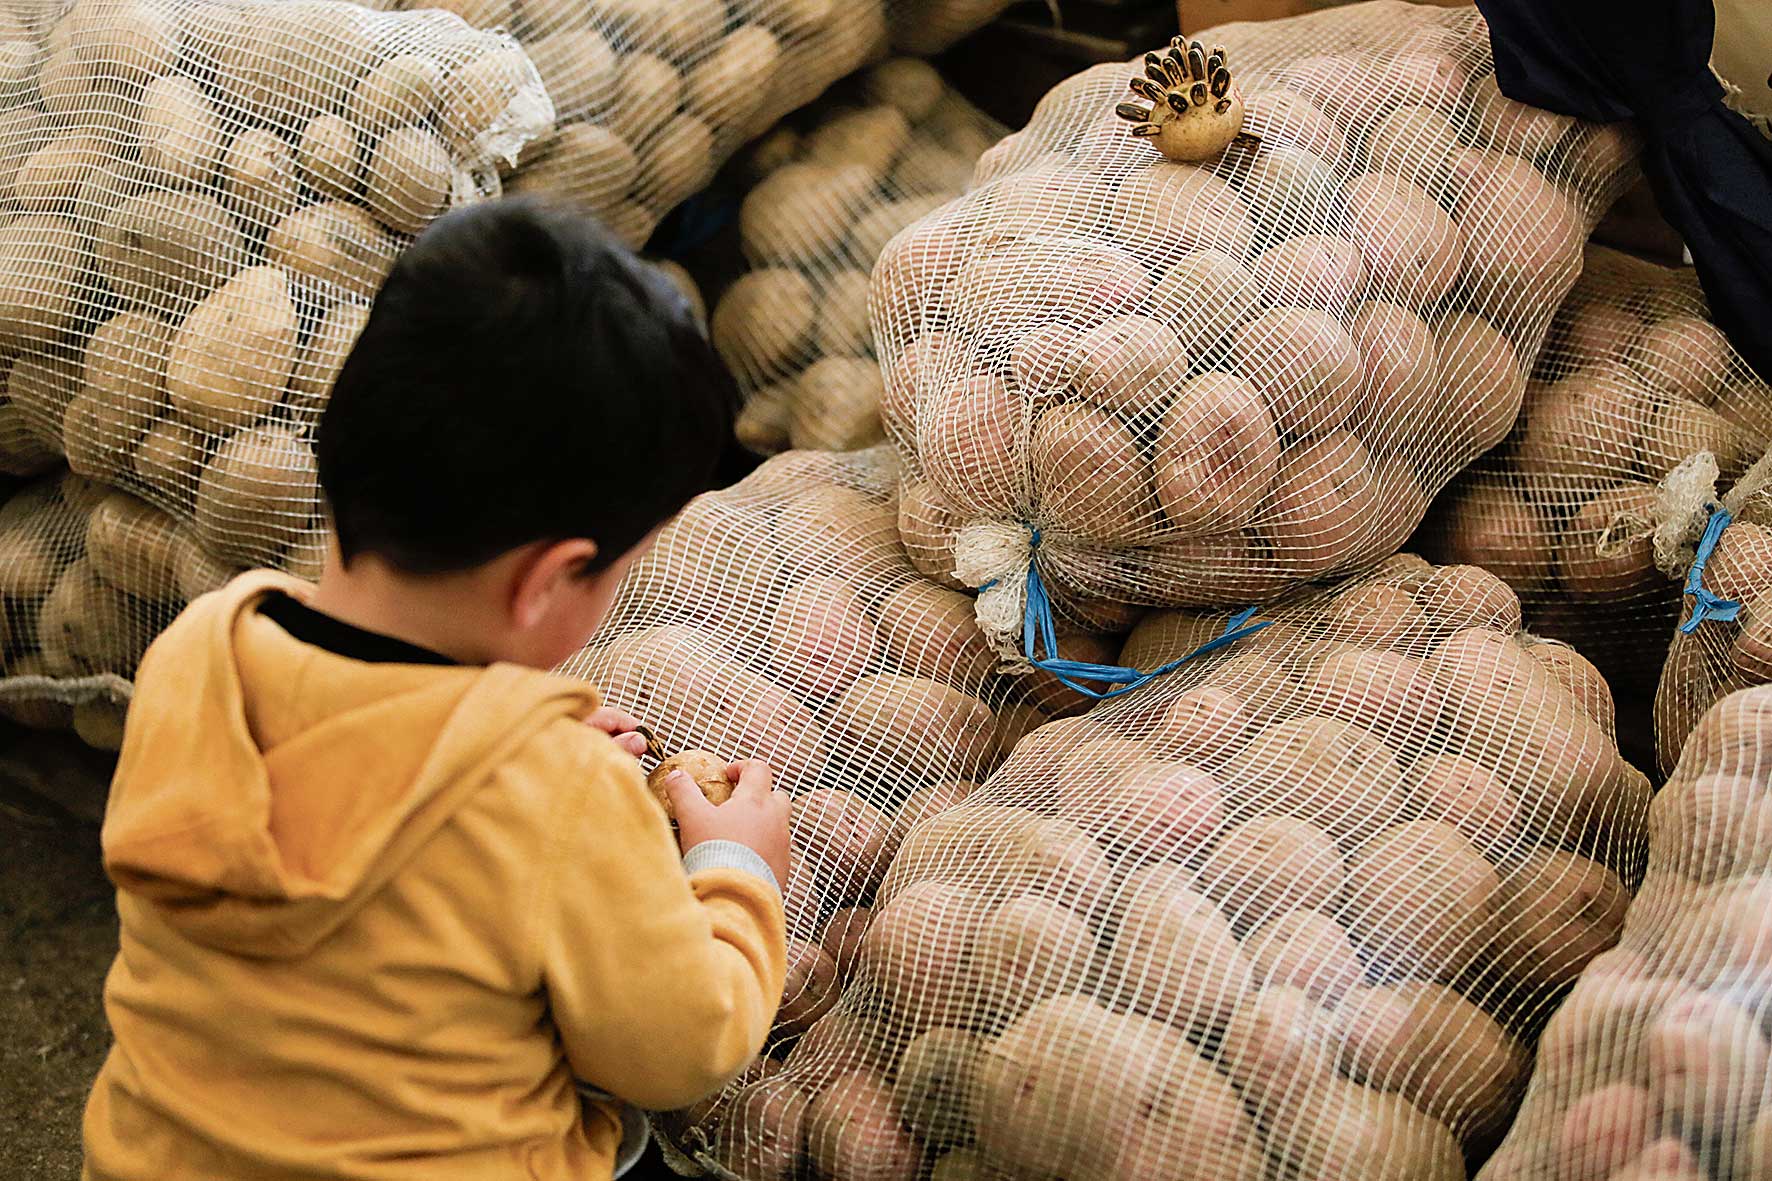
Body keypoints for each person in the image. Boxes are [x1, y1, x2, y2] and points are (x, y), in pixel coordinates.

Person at [82, 198, 792, 1181]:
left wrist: (521, 743)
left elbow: (361, 762)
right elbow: (677, 1050)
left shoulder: (203, 648)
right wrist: (736, 871)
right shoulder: (555, 795)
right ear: (548, 580)